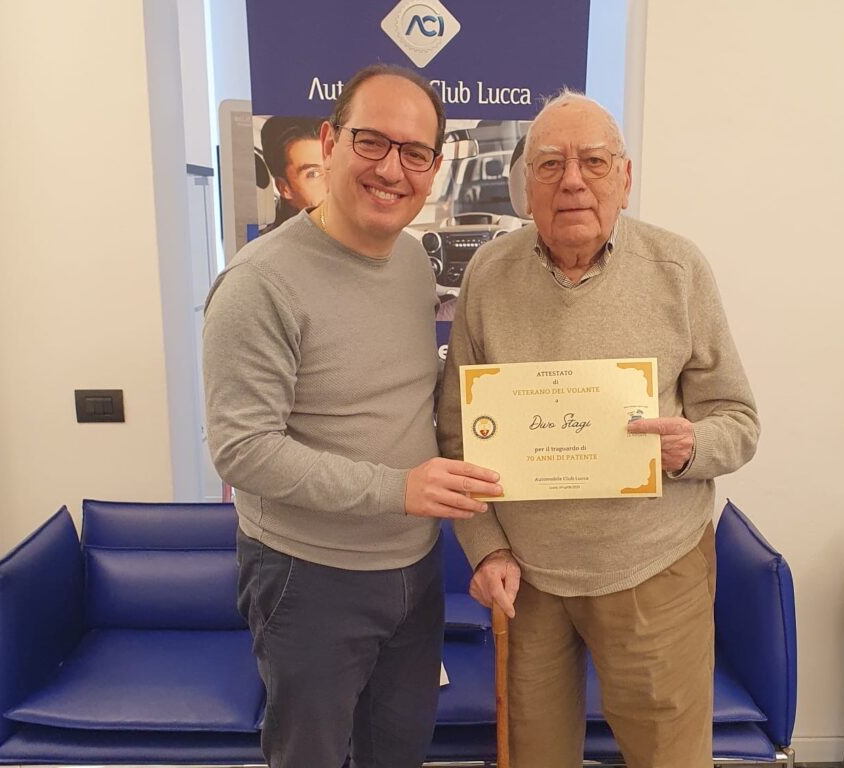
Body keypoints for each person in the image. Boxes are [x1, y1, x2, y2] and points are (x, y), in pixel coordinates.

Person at [437, 91, 760, 768]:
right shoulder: (488, 277)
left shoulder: (678, 270)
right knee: (533, 757)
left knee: (669, 758)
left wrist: (691, 447)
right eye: (550, 164)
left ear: (625, 178)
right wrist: (486, 549)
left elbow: (739, 421)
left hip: (655, 571)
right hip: (528, 582)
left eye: (594, 161)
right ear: (527, 186)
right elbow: (457, 436)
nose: (573, 181)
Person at [203, 64, 502, 768]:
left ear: (434, 168)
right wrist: (398, 489)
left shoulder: (411, 262)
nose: (392, 169)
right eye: (373, 141)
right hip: (308, 576)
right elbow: (242, 449)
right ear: (331, 141)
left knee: (398, 751)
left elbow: (401, 393)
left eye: (415, 152)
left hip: (415, 568)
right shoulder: (258, 284)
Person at [258, 116, 327, 234]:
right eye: (313, 174)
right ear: (284, 188)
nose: (333, 184)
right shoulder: (273, 244)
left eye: (334, 167)